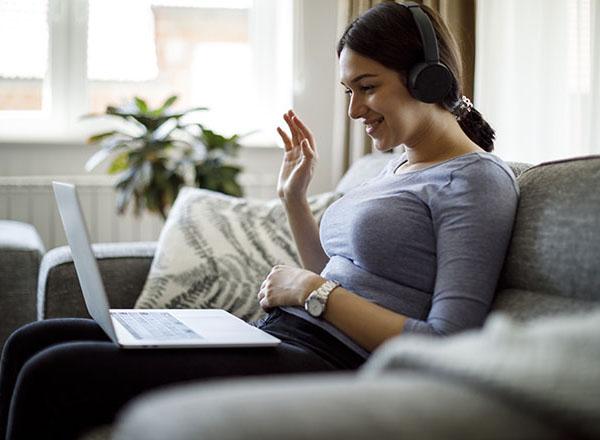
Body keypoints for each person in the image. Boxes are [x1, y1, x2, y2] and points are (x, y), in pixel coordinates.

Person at [0, 2, 519, 439]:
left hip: (332, 366)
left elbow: (449, 343)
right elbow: (338, 270)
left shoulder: (476, 181)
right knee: (31, 341)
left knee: (52, 372)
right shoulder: (398, 165)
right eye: (348, 91)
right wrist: (294, 198)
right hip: (279, 336)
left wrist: (314, 293)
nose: (354, 110)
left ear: (428, 79)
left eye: (367, 87)